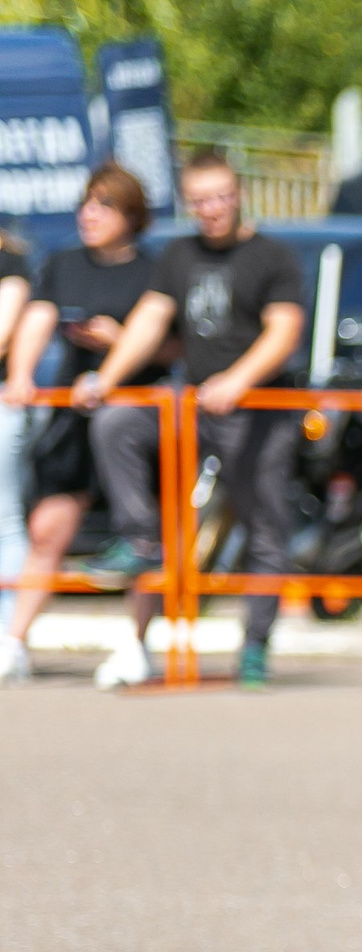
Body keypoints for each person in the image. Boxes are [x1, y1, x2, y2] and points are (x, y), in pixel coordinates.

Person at [80, 147, 305, 689]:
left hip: (259, 409)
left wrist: (238, 380)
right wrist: (106, 378)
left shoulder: (271, 256)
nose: (213, 209)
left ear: (238, 195)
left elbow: (284, 329)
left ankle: (255, 645)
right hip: (196, 405)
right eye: (201, 201)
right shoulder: (179, 255)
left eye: (222, 197)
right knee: (117, 423)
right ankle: (138, 538)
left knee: (265, 527)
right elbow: (150, 320)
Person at [1, 164, 167, 689]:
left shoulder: (153, 270)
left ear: (131, 215)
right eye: (86, 203)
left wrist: (119, 340)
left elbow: (171, 345)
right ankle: (15, 641)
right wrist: (23, 376)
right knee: (48, 527)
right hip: (76, 409)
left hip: (135, 415)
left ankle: (136, 645)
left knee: (142, 537)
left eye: (103, 205)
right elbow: (38, 318)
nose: (88, 214)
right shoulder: (65, 263)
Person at [0, 222, 41, 683]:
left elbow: (2, 334)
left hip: (3, 405)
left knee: (6, 521)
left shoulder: (10, 265)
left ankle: (8, 640)